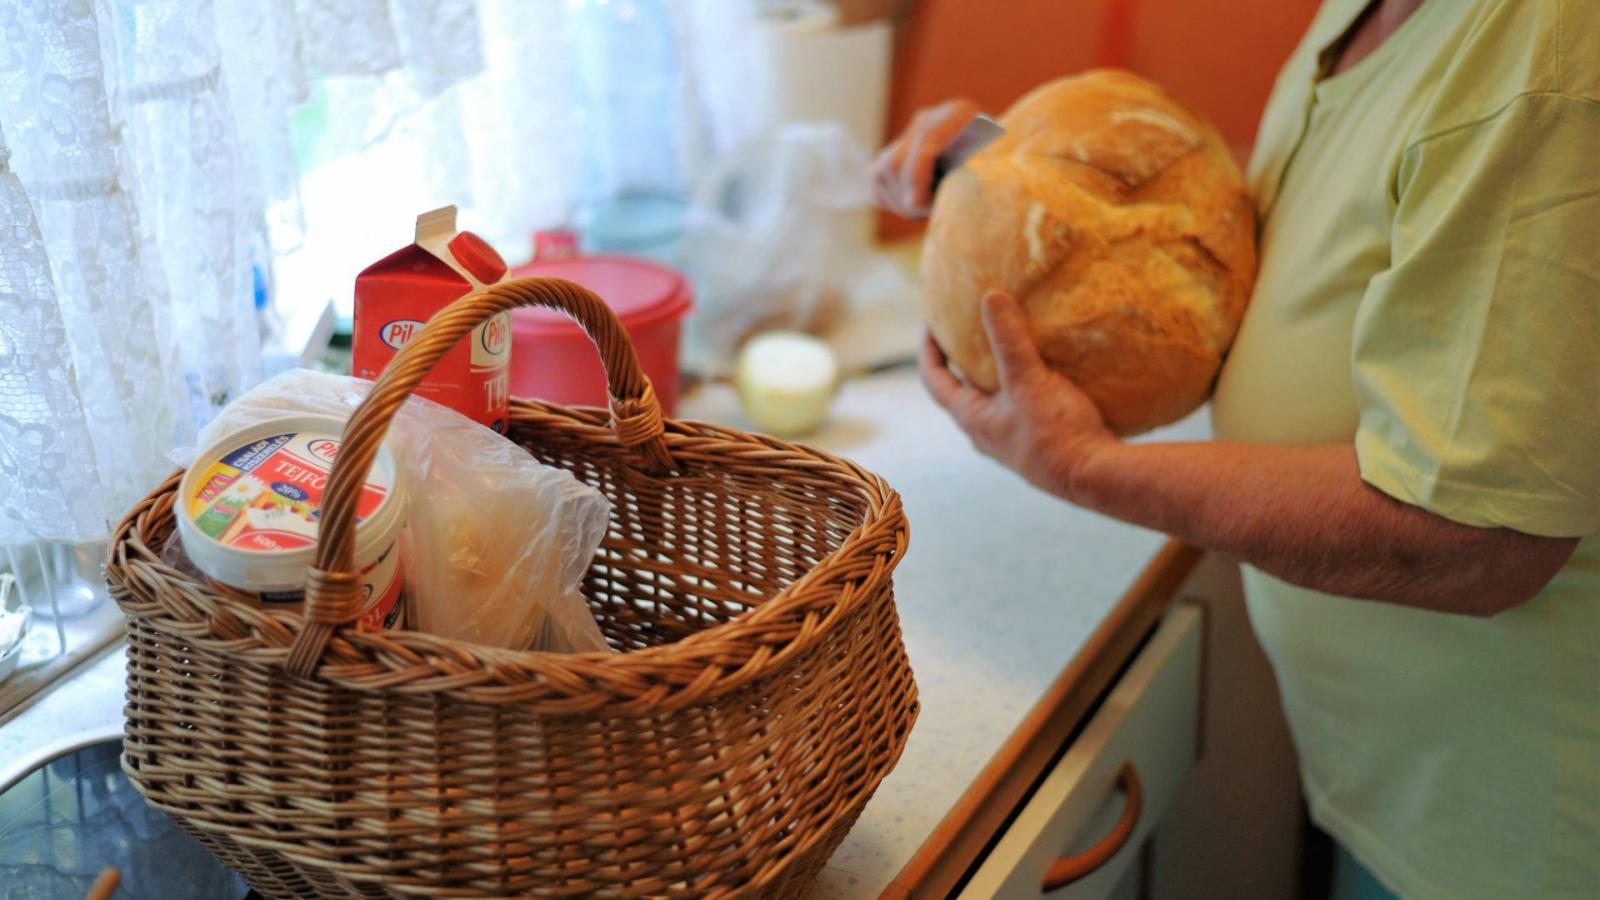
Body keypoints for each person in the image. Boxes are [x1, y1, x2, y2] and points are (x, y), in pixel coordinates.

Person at [873, 1, 1600, 898]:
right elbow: (1322, 235)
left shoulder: (1549, 59)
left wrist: (1083, 467)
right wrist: (998, 167)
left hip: (1514, 835)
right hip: (1394, 781)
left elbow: (1478, 540)